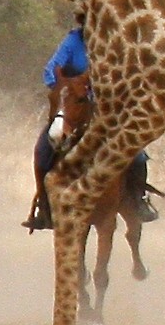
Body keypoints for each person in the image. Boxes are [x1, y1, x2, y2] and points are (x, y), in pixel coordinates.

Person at [25, 21, 157, 231]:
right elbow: (50, 70)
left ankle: (137, 199)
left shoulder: (115, 42)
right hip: (73, 109)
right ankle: (44, 207)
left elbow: (126, 75)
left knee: (138, 155)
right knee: (43, 150)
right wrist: (66, 89)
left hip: (106, 108)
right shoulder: (73, 41)